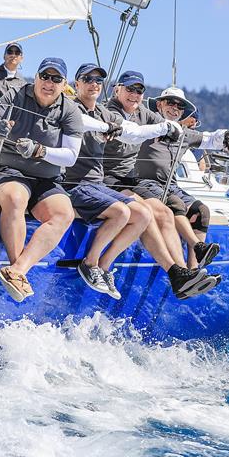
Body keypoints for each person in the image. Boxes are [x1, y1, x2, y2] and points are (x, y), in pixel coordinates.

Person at [102, 71, 220, 299]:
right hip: (124, 181)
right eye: (129, 89)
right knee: (159, 209)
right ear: (117, 89)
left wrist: (226, 138)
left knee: (186, 212)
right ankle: (183, 268)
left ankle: (189, 273)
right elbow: (131, 132)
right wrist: (162, 128)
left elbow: (201, 137)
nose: (134, 94)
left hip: (140, 182)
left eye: (139, 91)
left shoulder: (157, 121)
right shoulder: (121, 114)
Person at [0, 58, 83, 302]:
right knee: (16, 198)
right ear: (36, 77)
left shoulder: (69, 110)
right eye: (44, 76)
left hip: (46, 178)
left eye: (56, 79)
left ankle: (17, 270)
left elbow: (70, 156)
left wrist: (40, 151)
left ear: (64, 84)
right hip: (8, 171)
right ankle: (16, 276)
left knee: (64, 214)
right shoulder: (14, 96)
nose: (49, 83)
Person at [64, 63, 152, 299]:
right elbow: (78, 121)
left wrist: (167, 128)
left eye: (98, 81)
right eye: (88, 79)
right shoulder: (69, 107)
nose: (94, 84)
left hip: (97, 185)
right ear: (77, 84)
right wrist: (106, 127)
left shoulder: (104, 113)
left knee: (143, 215)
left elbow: (133, 131)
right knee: (121, 213)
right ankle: (89, 263)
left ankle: (104, 267)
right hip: (74, 184)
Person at [136, 87, 229, 269]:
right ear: (159, 104)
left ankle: (193, 270)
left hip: (169, 186)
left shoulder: (183, 134)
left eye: (180, 105)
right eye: (170, 102)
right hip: (144, 183)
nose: (175, 108)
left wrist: (227, 135)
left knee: (202, 212)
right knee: (175, 203)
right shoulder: (147, 124)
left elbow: (210, 138)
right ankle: (197, 248)